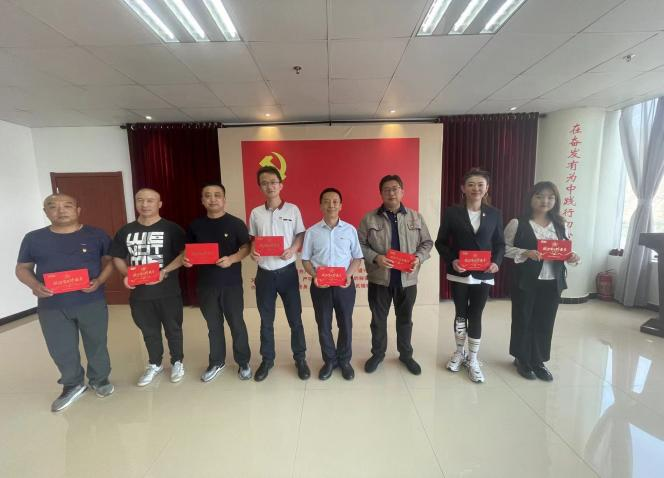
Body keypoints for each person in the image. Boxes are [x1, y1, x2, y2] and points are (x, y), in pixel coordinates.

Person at [15, 194, 114, 412]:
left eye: (67, 206)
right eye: (53, 207)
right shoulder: (33, 238)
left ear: (78, 210)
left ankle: (100, 379)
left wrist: (99, 281)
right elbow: (22, 268)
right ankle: (72, 384)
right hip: (52, 305)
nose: (61, 210)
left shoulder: (96, 234)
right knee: (61, 347)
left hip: (91, 301)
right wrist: (34, 285)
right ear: (46, 212)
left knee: (97, 342)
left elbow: (110, 262)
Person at [358, 174, 433, 375]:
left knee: (405, 319)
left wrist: (418, 258)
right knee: (378, 320)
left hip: (407, 280)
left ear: (402, 192)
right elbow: (359, 245)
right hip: (379, 279)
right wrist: (376, 257)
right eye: (387, 190)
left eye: (395, 189)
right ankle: (378, 354)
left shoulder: (416, 217)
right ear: (381, 193)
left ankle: (406, 355)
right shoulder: (369, 218)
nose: (391, 193)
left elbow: (427, 243)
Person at [504, 181, 580, 381]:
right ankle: (521, 358)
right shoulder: (517, 223)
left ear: (556, 200)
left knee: (545, 321)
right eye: (539, 196)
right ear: (531, 198)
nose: (545, 201)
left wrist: (572, 257)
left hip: (553, 281)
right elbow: (503, 248)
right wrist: (525, 252)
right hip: (526, 280)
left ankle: (538, 360)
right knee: (523, 319)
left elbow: (565, 250)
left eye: (550, 197)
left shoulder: (561, 224)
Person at [110, 188, 186, 386]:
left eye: (150, 200)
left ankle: (177, 362)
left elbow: (184, 254)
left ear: (159, 204)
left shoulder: (172, 228)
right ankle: (155, 364)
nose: (145, 204)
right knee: (149, 331)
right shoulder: (125, 231)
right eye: (140, 200)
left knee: (173, 329)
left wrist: (164, 271)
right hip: (140, 294)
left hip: (168, 291)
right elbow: (117, 256)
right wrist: (127, 274)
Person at [435, 168, 505, 383]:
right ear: (463, 188)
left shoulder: (494, 214)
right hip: (459, 273)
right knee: (460, 314)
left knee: (476, 314)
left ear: (487, 188)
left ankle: (473, 358)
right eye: (471, 184)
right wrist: (452, 260)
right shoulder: (452, 213)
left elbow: (500, 244)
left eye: (480, 184)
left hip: (483, 274)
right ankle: (459, 352)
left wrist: (496, 262)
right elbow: (440, 242)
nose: (476, 188)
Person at [183, 182, 252, 382]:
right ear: (202, 200)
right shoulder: (195, 225)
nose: (212, 199)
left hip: (231, 284)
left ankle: (243, 362)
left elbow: (246, 248)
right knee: (213, 326)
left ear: (224, 199)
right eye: (207, 195)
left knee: (237, 324)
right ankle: (216, 361)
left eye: (217, 195)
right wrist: (187, 260)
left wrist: (232, 259)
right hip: (206, 285)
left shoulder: (236, 223)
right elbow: (188, 251)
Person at [248, 166, 310, 382]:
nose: (270, 186)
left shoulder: (292, 210)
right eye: (264, 183)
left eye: (273, 182)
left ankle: (300, 358)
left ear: (281, 184)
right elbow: (253, 239)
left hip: (287, 273)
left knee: (295, 318)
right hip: (264, 273)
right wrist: (253, 252)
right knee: (266, 320)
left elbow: (300, 235)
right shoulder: (256, 213)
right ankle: (267, 360)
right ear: (260, 187)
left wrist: (293, 249)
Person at [302, 188, 363, 380]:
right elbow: (305, 260)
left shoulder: (350, 230)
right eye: (326, 201)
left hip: (345, 285)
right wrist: (315, 276)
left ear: (341, 205)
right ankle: (329, 360)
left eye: (335, 201)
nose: (331, 205)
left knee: (346, 324)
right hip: (320, 285)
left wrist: (349, 275)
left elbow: (357, 258)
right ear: (320, 205)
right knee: (323, 324)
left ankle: (344, 361)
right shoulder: (312, 232)